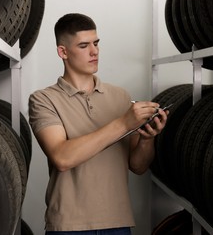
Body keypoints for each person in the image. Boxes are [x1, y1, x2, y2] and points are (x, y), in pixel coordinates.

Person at [28, 13, 169, 235]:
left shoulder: (121, 97)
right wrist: (123, 124)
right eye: (84, 46)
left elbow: (139, 166)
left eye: (96, 43)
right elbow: (62, 158)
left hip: (118, 222)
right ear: (63, 52)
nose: (94, 52)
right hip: (68, 226)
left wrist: (147, 138)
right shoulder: (43, 99)